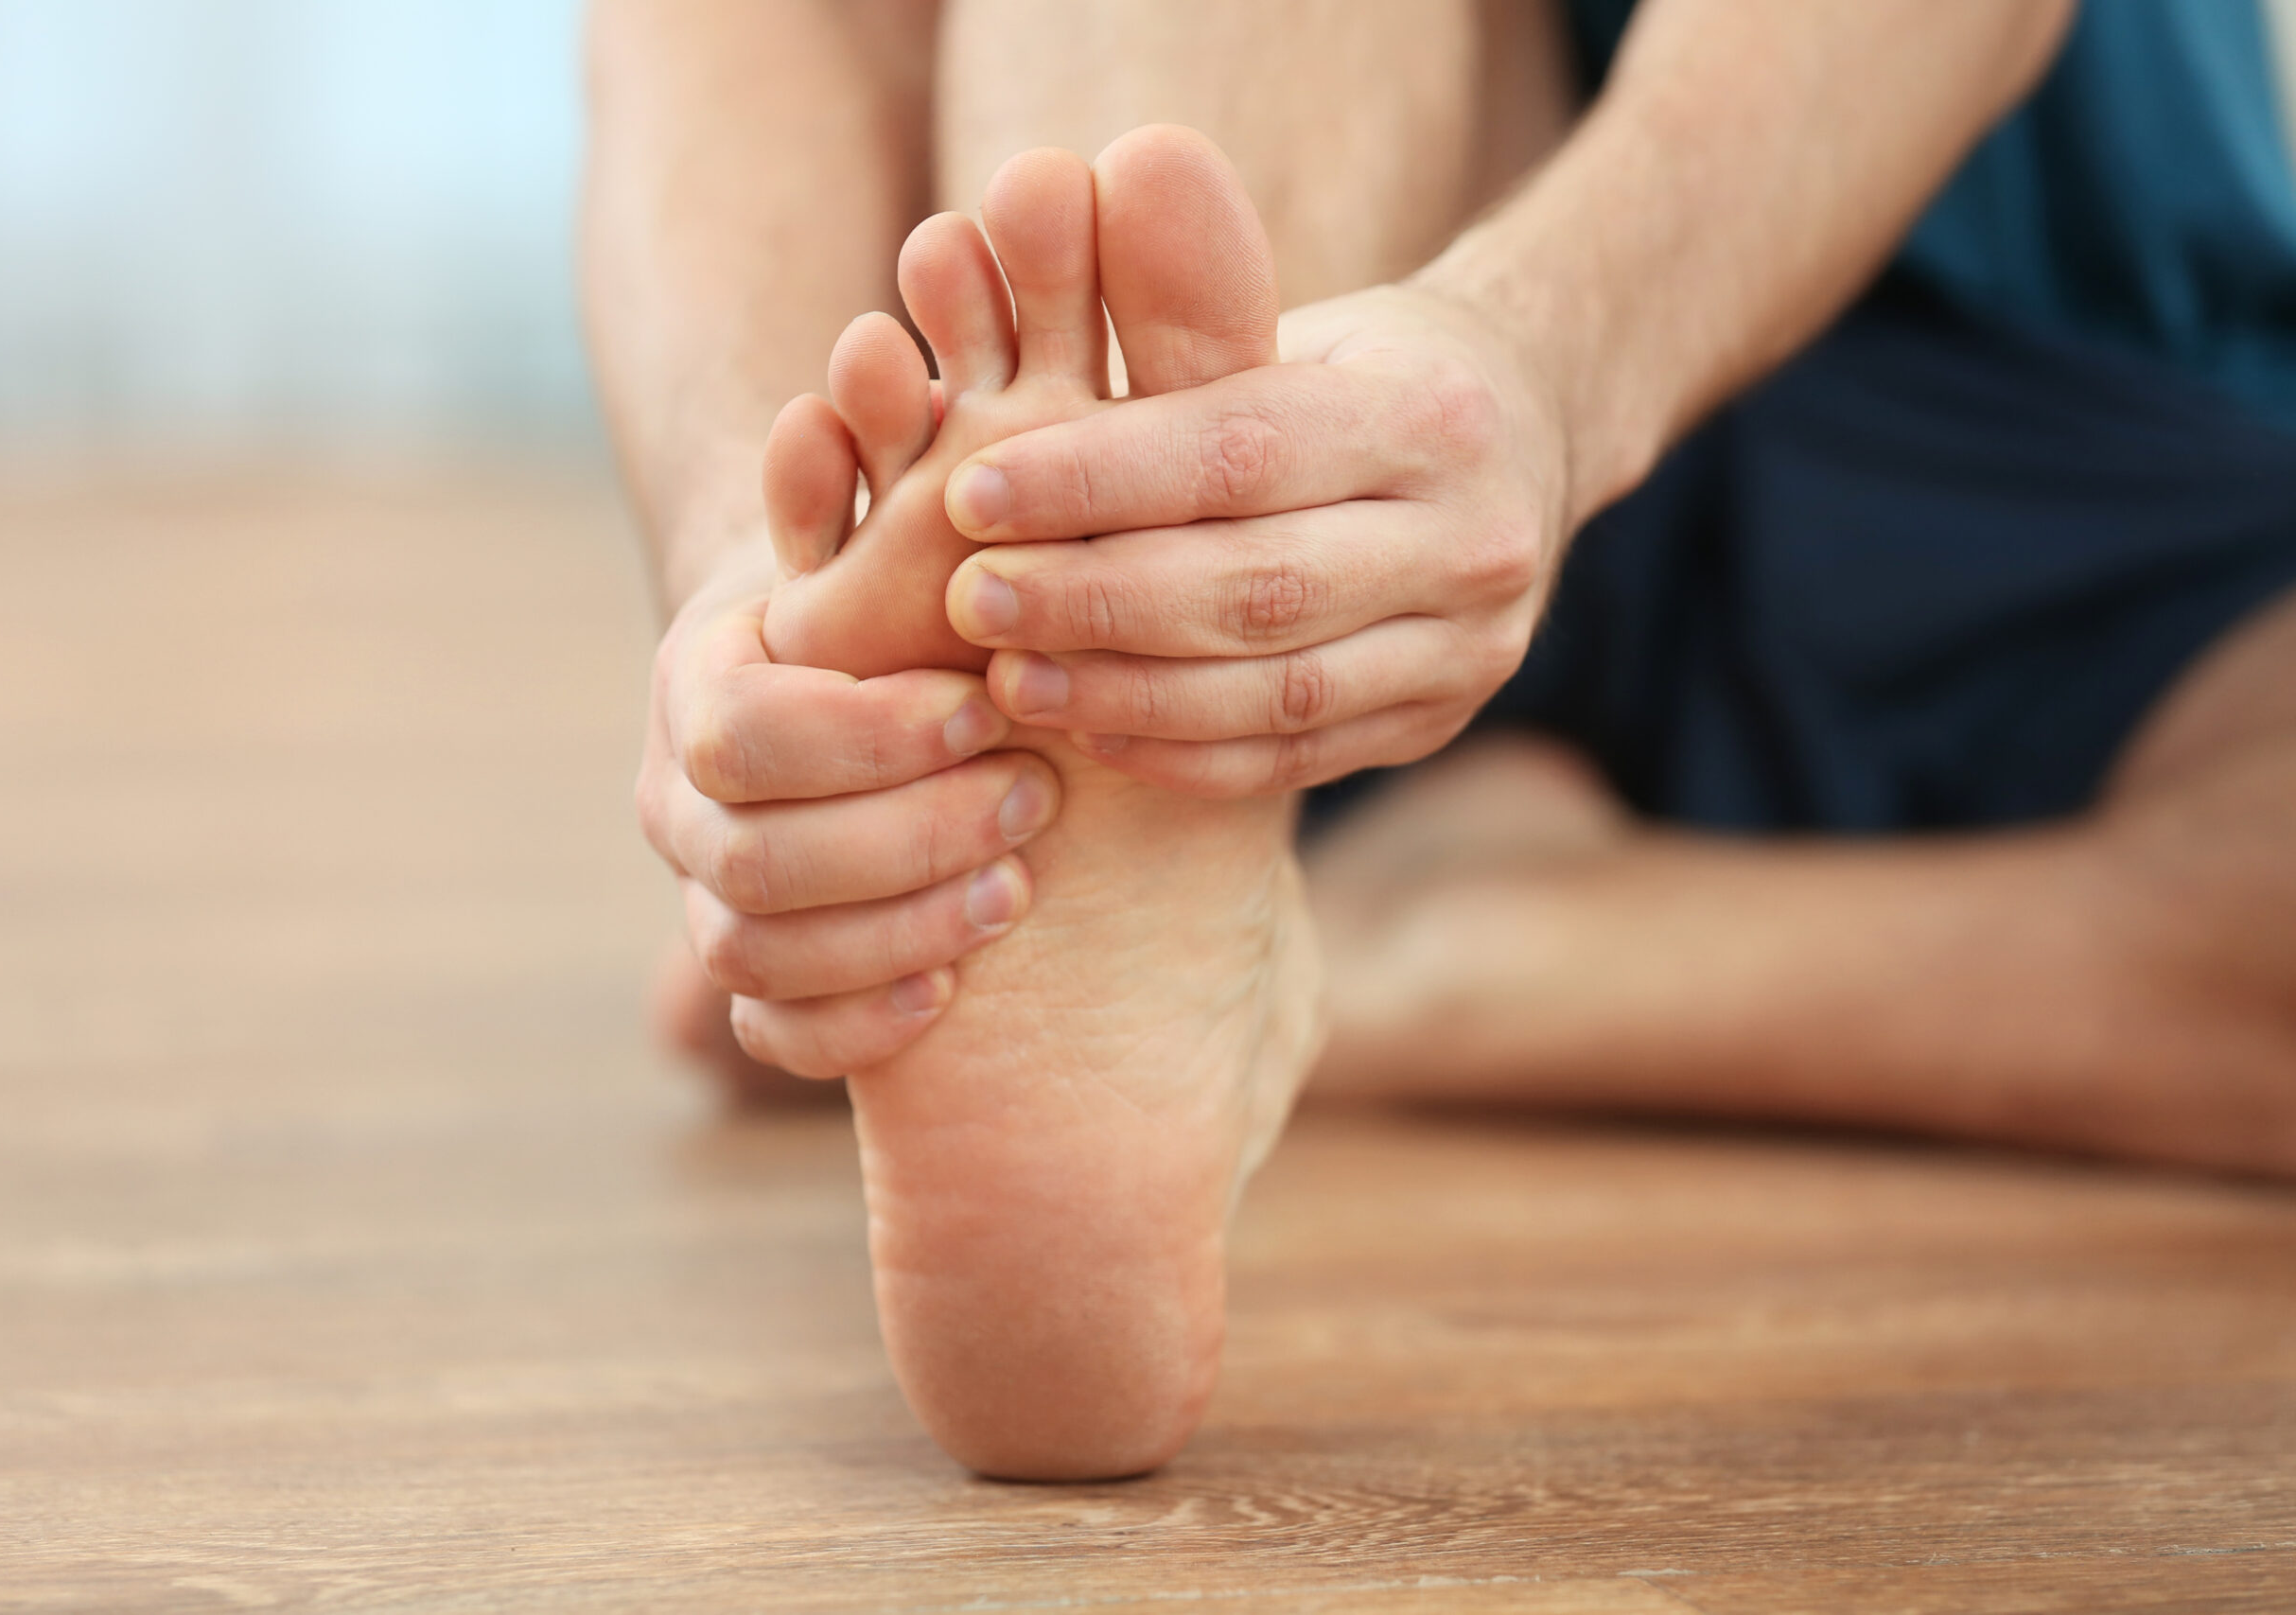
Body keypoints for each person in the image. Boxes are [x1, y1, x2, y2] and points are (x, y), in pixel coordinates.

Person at [587, 0, 2296, 1480]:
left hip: (1872, 334)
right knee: (1144, 277)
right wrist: (749, 589)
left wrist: (1542, 366)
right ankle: (1124, 607)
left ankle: (1401, 933)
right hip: (1341, 450)